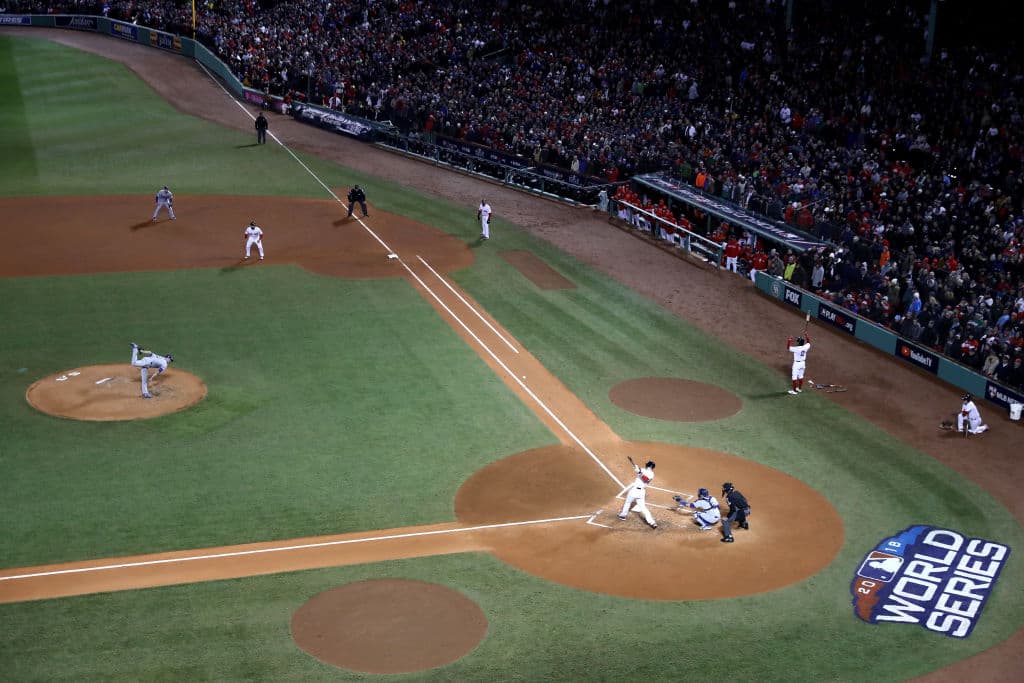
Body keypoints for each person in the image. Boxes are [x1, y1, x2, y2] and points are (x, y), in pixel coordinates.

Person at [618, 459, 658, 529]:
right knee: (642, 507)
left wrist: (639, 473)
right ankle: (652, 522)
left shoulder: (651, 474)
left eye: (647, 464)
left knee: (628, 503)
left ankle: (623, 515)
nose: (646, 465)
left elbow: (646, 479)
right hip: (641, 492)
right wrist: (636, 468)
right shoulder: (644, 470)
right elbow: (639, 470)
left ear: (649, 466)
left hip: (635, 491)